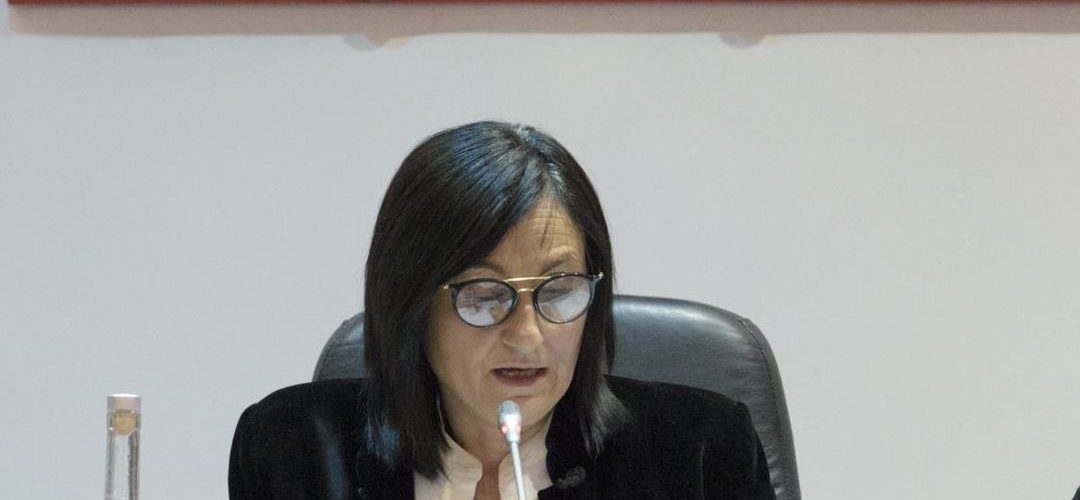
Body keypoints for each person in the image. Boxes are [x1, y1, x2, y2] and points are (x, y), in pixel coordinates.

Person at [228, 121, 776, 500]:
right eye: (485, 294)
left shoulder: (700, 451)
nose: (528, 335)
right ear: (410, 304)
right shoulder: (293, 449)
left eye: (559, 289)